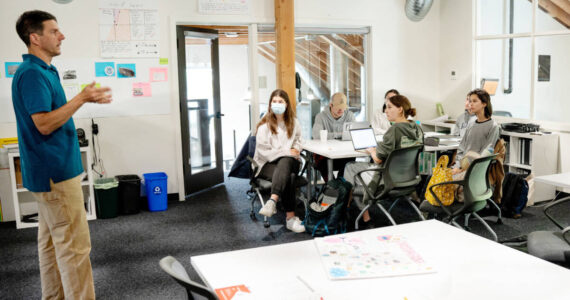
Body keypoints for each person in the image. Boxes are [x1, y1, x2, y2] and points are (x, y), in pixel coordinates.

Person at [12, 10, 112, 299]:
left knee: (52, 245)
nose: (62, 35)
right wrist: (81, 98)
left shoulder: (43, 70)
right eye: (54, 31)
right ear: (35, 38)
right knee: (75, 250)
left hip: (51, 175)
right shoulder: (32, 74)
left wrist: (83, 99)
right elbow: (43, 123)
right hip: (55, 176)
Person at [343, 95, 423, 228]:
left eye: (390, 107)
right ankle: (363, 214)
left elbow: (378, 159)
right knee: (358, 178)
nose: (386, 110)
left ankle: (346, 208)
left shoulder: (394, 130)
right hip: (409, 178)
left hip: (388, 180)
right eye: (385, 107)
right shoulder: (417, 128)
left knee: (350, 168)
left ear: (400, 110)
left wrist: (372, 151)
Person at [254, 89, 305, 233]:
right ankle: (290, 218)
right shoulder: (264, 126)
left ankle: (272, 201)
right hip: (267, 164)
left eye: (280, 102)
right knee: (289, 176)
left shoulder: (294, 123)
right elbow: (264, 153)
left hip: (290, 162)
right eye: (274, 101)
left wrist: (295, 149)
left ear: (287, 104)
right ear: (270, 104)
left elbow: (299, 140)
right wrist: (286, 152)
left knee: (286, 161)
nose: (277, 104)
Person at [452, 89, 500, 175]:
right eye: (470, 101)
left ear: (484, 104)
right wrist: (458, 166)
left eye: (474, 101)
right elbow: (462, 148)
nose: (471, 104)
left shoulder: (493, 126)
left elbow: (484, 155)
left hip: (475, 170)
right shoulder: (471, 122)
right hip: (462, 167)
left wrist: (464, 169)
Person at [311, 92, 355, 181]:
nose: (341, 110)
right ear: (331, 105)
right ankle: (332, 184)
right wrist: (340, 134)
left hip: (343, 153)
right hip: (325, 155)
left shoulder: (349, 115)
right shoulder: (321, 116)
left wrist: (329, 135)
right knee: (320, 159)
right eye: (338, 108)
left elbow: (354, 133)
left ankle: (341, 182)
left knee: (351, 158)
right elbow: (316, 135)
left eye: (343, 108)